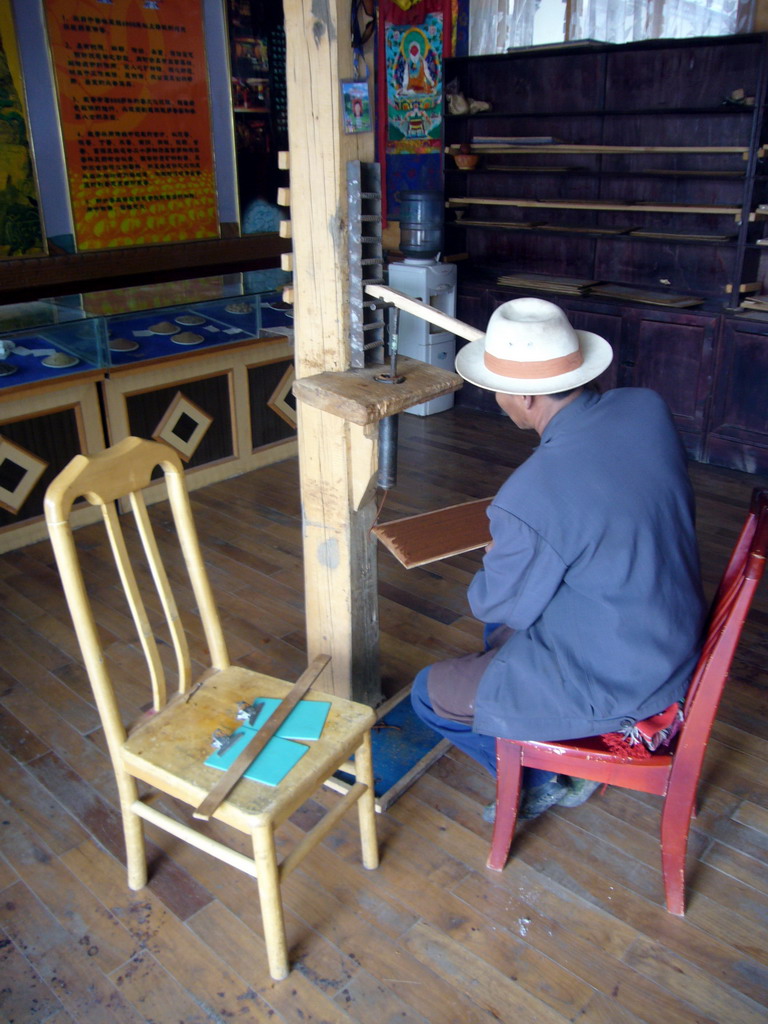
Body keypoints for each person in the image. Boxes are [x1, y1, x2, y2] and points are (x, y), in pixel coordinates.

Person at [411, 297, 707, 821]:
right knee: (501, 638)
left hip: (627, 674)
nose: (496, 397)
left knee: (427, 693)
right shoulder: (645, 407)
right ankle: (534, 718)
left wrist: (499, 554)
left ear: (524, 398)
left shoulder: (528, 497)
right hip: (669, 628)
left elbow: (493, 604)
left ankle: (541, 776)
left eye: (496, 387)